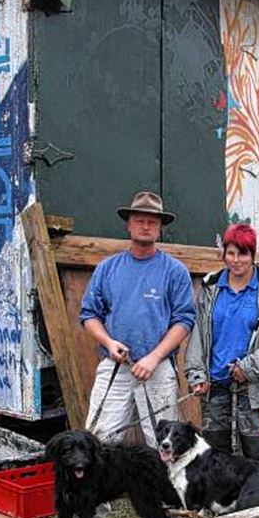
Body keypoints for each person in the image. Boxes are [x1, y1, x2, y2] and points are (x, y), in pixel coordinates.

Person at [79, 191, 196, 447]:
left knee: (165, 443)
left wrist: (153, 358)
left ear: (160, 228)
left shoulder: (174, 271)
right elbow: (89, 315)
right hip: (115, 365)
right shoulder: (108, 268)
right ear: (128, 224)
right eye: (139, 220)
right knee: (100, 438)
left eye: (152, 222)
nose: (145, 226)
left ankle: (164, 488)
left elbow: (184, 320)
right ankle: (104, 488)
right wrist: (109, 343)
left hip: (158, 367)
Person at [184, 223, 259, 465]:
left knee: (258, 450)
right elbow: (199, 334)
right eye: (230, 253)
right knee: (216, 451)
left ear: (253, 255)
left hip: (256, 385)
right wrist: (196, 374)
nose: (236, 260)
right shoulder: (210, 287)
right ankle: (225, 502)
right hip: (216, 383)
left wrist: (249, 367)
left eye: (242, 253)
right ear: (223, 254)